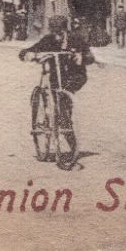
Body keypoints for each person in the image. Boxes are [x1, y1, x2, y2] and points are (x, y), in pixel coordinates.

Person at [19, 15, 94, 150]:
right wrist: (27, 54)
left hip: (74, 77)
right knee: (59, 105)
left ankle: (69, 137)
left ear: (65, 29)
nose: (57, 35)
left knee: (63, 103)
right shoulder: (48, 40)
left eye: (59, 32)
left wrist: (81, 57)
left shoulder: (77, 39)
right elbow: (30, 50)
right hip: (55, 78)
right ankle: (61, 128)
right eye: (54, 31)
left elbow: (90, 57)